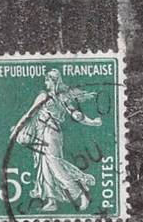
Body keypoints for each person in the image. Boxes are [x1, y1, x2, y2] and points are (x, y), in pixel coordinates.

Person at [10, 69, 101, 211]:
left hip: (50, 133)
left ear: (53, 81)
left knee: (55, 164)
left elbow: (29, 114)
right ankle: (51, 201)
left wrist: (16, 130)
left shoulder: (48, 96)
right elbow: (76, 115)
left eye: (47, 80)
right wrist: (92, 122)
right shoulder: (61, 97)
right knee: (44, 167)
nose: (45, 82)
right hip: (42, 133)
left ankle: (80, 192)